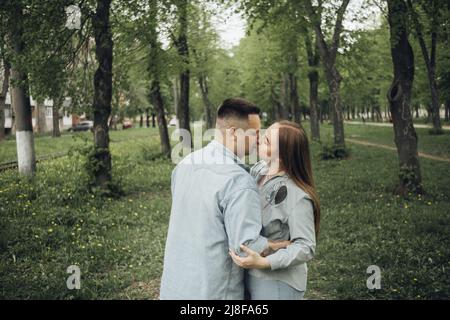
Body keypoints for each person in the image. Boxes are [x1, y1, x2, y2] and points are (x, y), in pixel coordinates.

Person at [160, 98, 288, 300]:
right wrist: (283, 245)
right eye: (254, 133)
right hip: (215, 293)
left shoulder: (184, 165)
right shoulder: (239, 182)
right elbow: (246, 248)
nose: (259, 139)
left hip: (175, 288)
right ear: (234, 133)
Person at [229, 121, 320, 300]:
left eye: (267, 140)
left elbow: (306, 246)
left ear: (283, 153)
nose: (260, 139)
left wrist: (265, 262)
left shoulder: (297, 195)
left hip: (278, 283)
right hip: (252, 274)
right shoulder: (259, 171)